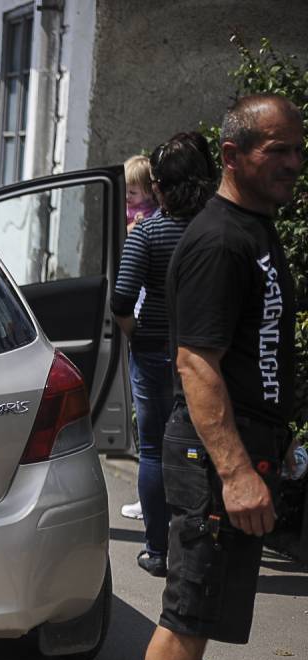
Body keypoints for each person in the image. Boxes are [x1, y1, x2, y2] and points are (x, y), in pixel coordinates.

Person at [143, 95, 303, 660]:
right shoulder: (217, 242)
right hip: (212, 459)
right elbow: (195, 363)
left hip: (242, 446)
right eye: (277, 149)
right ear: (233, 156)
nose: (293, 162)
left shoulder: (256, 229)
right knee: (186, 615)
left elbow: (255, 351)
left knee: (201, 617)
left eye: (298, 148)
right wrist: (235, 473)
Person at [111, 132, 218, 577]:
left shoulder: (148, 234)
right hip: (209, 356)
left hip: (155, 352)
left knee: (153, 449)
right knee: (206, 447)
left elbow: (120, 300)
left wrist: (137, 335)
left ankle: (157, 551)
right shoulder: (217, 232)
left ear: (160, 188)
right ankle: (204, 550)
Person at [124, 154, 160, 233]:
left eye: (132, 193)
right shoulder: (124, 209)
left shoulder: (154, 211)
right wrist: (134, 224)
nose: (126, 196)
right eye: (123, 190)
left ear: (148, 192)